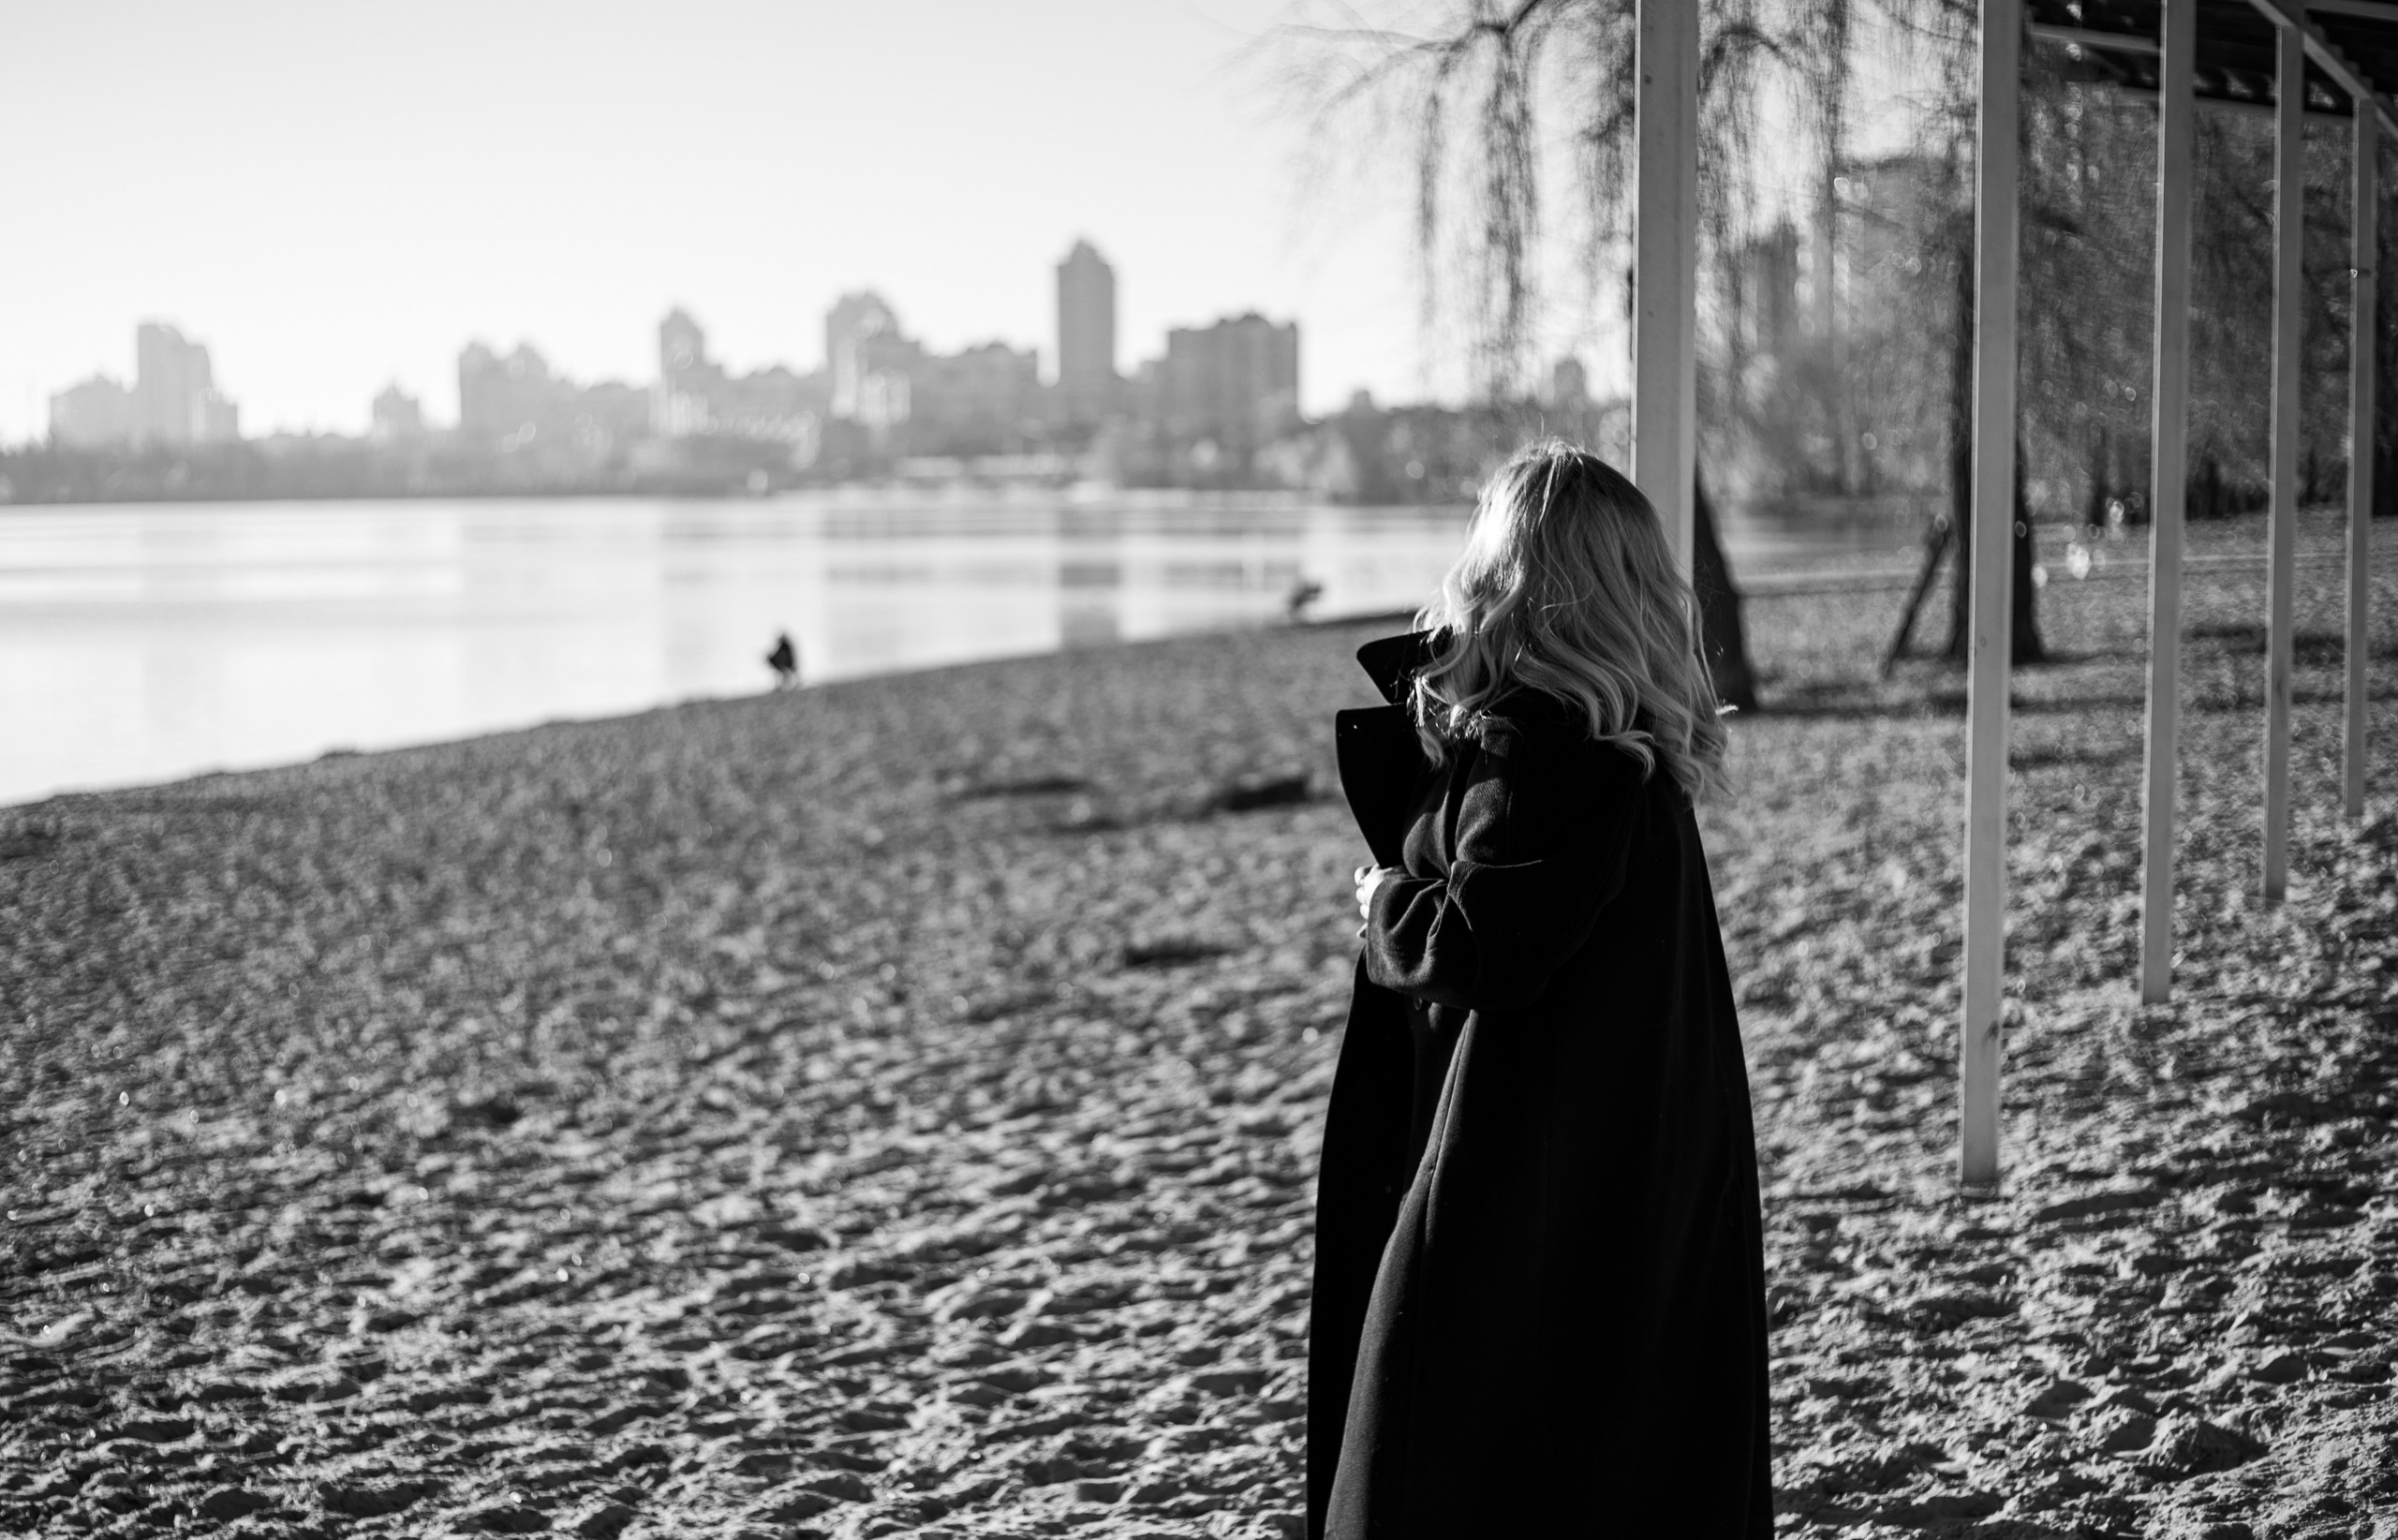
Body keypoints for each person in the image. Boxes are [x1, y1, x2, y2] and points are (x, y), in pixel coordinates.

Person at [1310, 442, 1770, 1537]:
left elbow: (1481, 949)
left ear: (1505, 574)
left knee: (1447, 1454)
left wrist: (1383, 902)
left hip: (1514, 1170)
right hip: (1618, 1155)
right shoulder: (1629, 747)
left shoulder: (1546, 757)